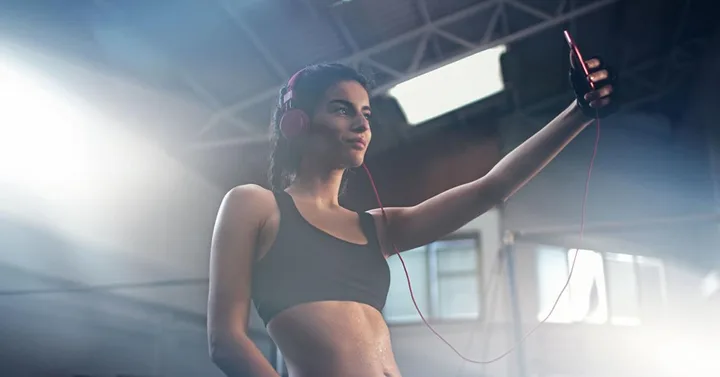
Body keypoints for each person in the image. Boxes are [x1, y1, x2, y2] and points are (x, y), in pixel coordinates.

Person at [207, 54, 616, 377]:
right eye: (342, 110)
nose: (361, 125)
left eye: (366, 114)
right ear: (296, 122)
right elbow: (225, 340)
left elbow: (491, 187)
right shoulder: (254, 204)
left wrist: (578, 112)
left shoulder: (377, 227)